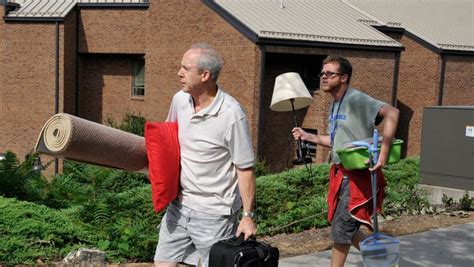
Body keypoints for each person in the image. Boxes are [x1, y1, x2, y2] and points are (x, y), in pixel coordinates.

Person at [154, 43, 257, 267]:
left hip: (215, 213)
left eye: (185, 68)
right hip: (179, 207)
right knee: (162, 263)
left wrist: (248, 216)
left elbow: (245, 169)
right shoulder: (179, 100)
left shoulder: (231, 114)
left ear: (205, 75)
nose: (179, 73)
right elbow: (168, 142)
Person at [292, 55, 399, 267]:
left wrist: (384, 150)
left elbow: (392, 112)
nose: (323, 77)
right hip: (342, 173)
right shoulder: (335, 104)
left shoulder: (356, 100)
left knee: (341, 228)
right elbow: (336, 140)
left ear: (344, 78)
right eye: (322, 73)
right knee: (347, 229)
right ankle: (384, 260)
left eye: (330, 73)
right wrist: (309, 136)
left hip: (358, 176)